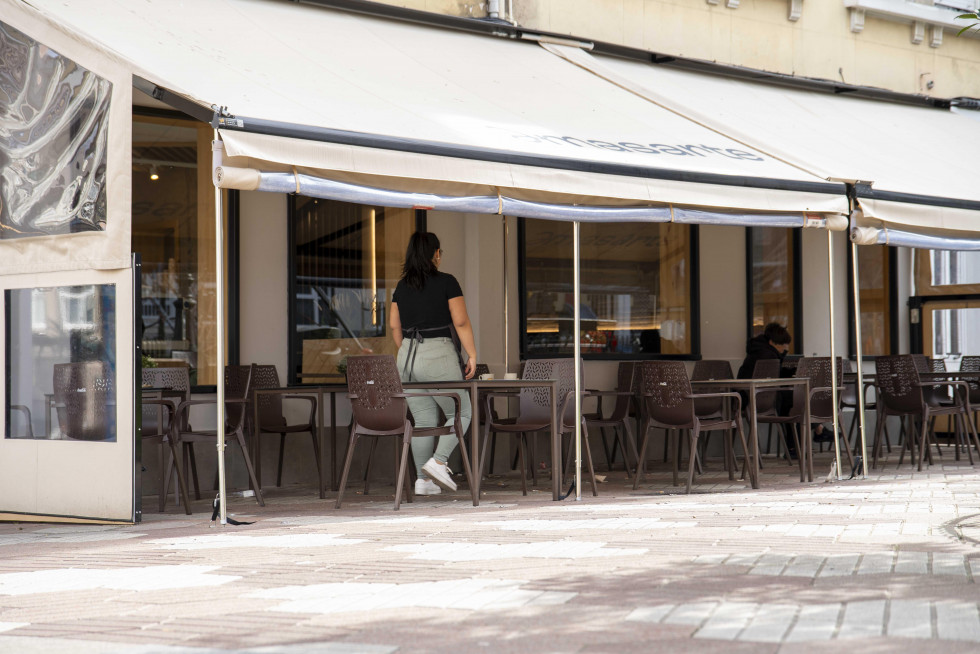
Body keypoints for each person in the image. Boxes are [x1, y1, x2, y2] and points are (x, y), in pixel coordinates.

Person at [390, 232, 477, 496]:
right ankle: (439, 462)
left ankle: (422, 481)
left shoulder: (402, 286)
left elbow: (395, 326)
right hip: (437, 353)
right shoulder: (447, 282)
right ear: (436, 254)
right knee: (461, 412)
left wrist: (408, 351)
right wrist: (472, 354)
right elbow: (460, 321)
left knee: (424, 419)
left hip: (406, 355)